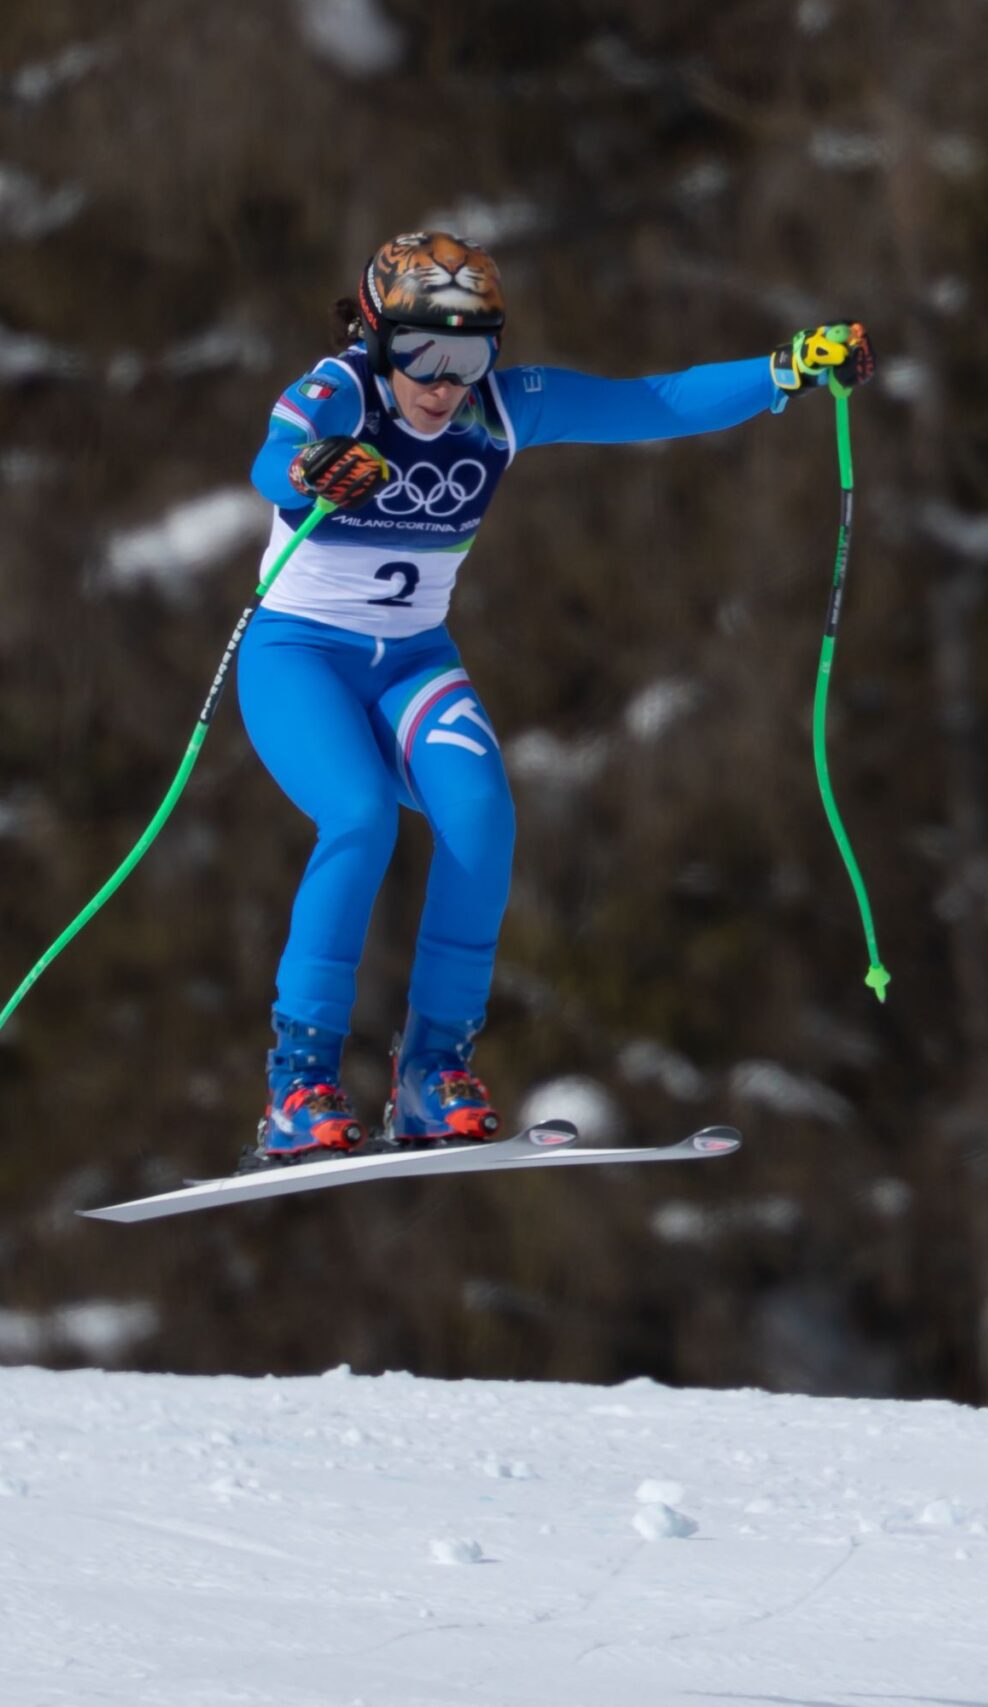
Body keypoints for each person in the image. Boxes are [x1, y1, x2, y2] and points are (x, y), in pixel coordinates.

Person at [240, 230, 869, 1169]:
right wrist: (307, 470)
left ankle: (431, 1072)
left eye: (470, 353)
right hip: (299, 657)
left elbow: (650, 402)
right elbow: (276, 452)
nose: (443, 381)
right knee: (360, 817)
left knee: (483, 818)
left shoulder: (501, 408)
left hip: (412, 660)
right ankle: (300, 1086)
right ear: (376, 336)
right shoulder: (344, 390)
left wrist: (784, 370)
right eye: (422, 352)